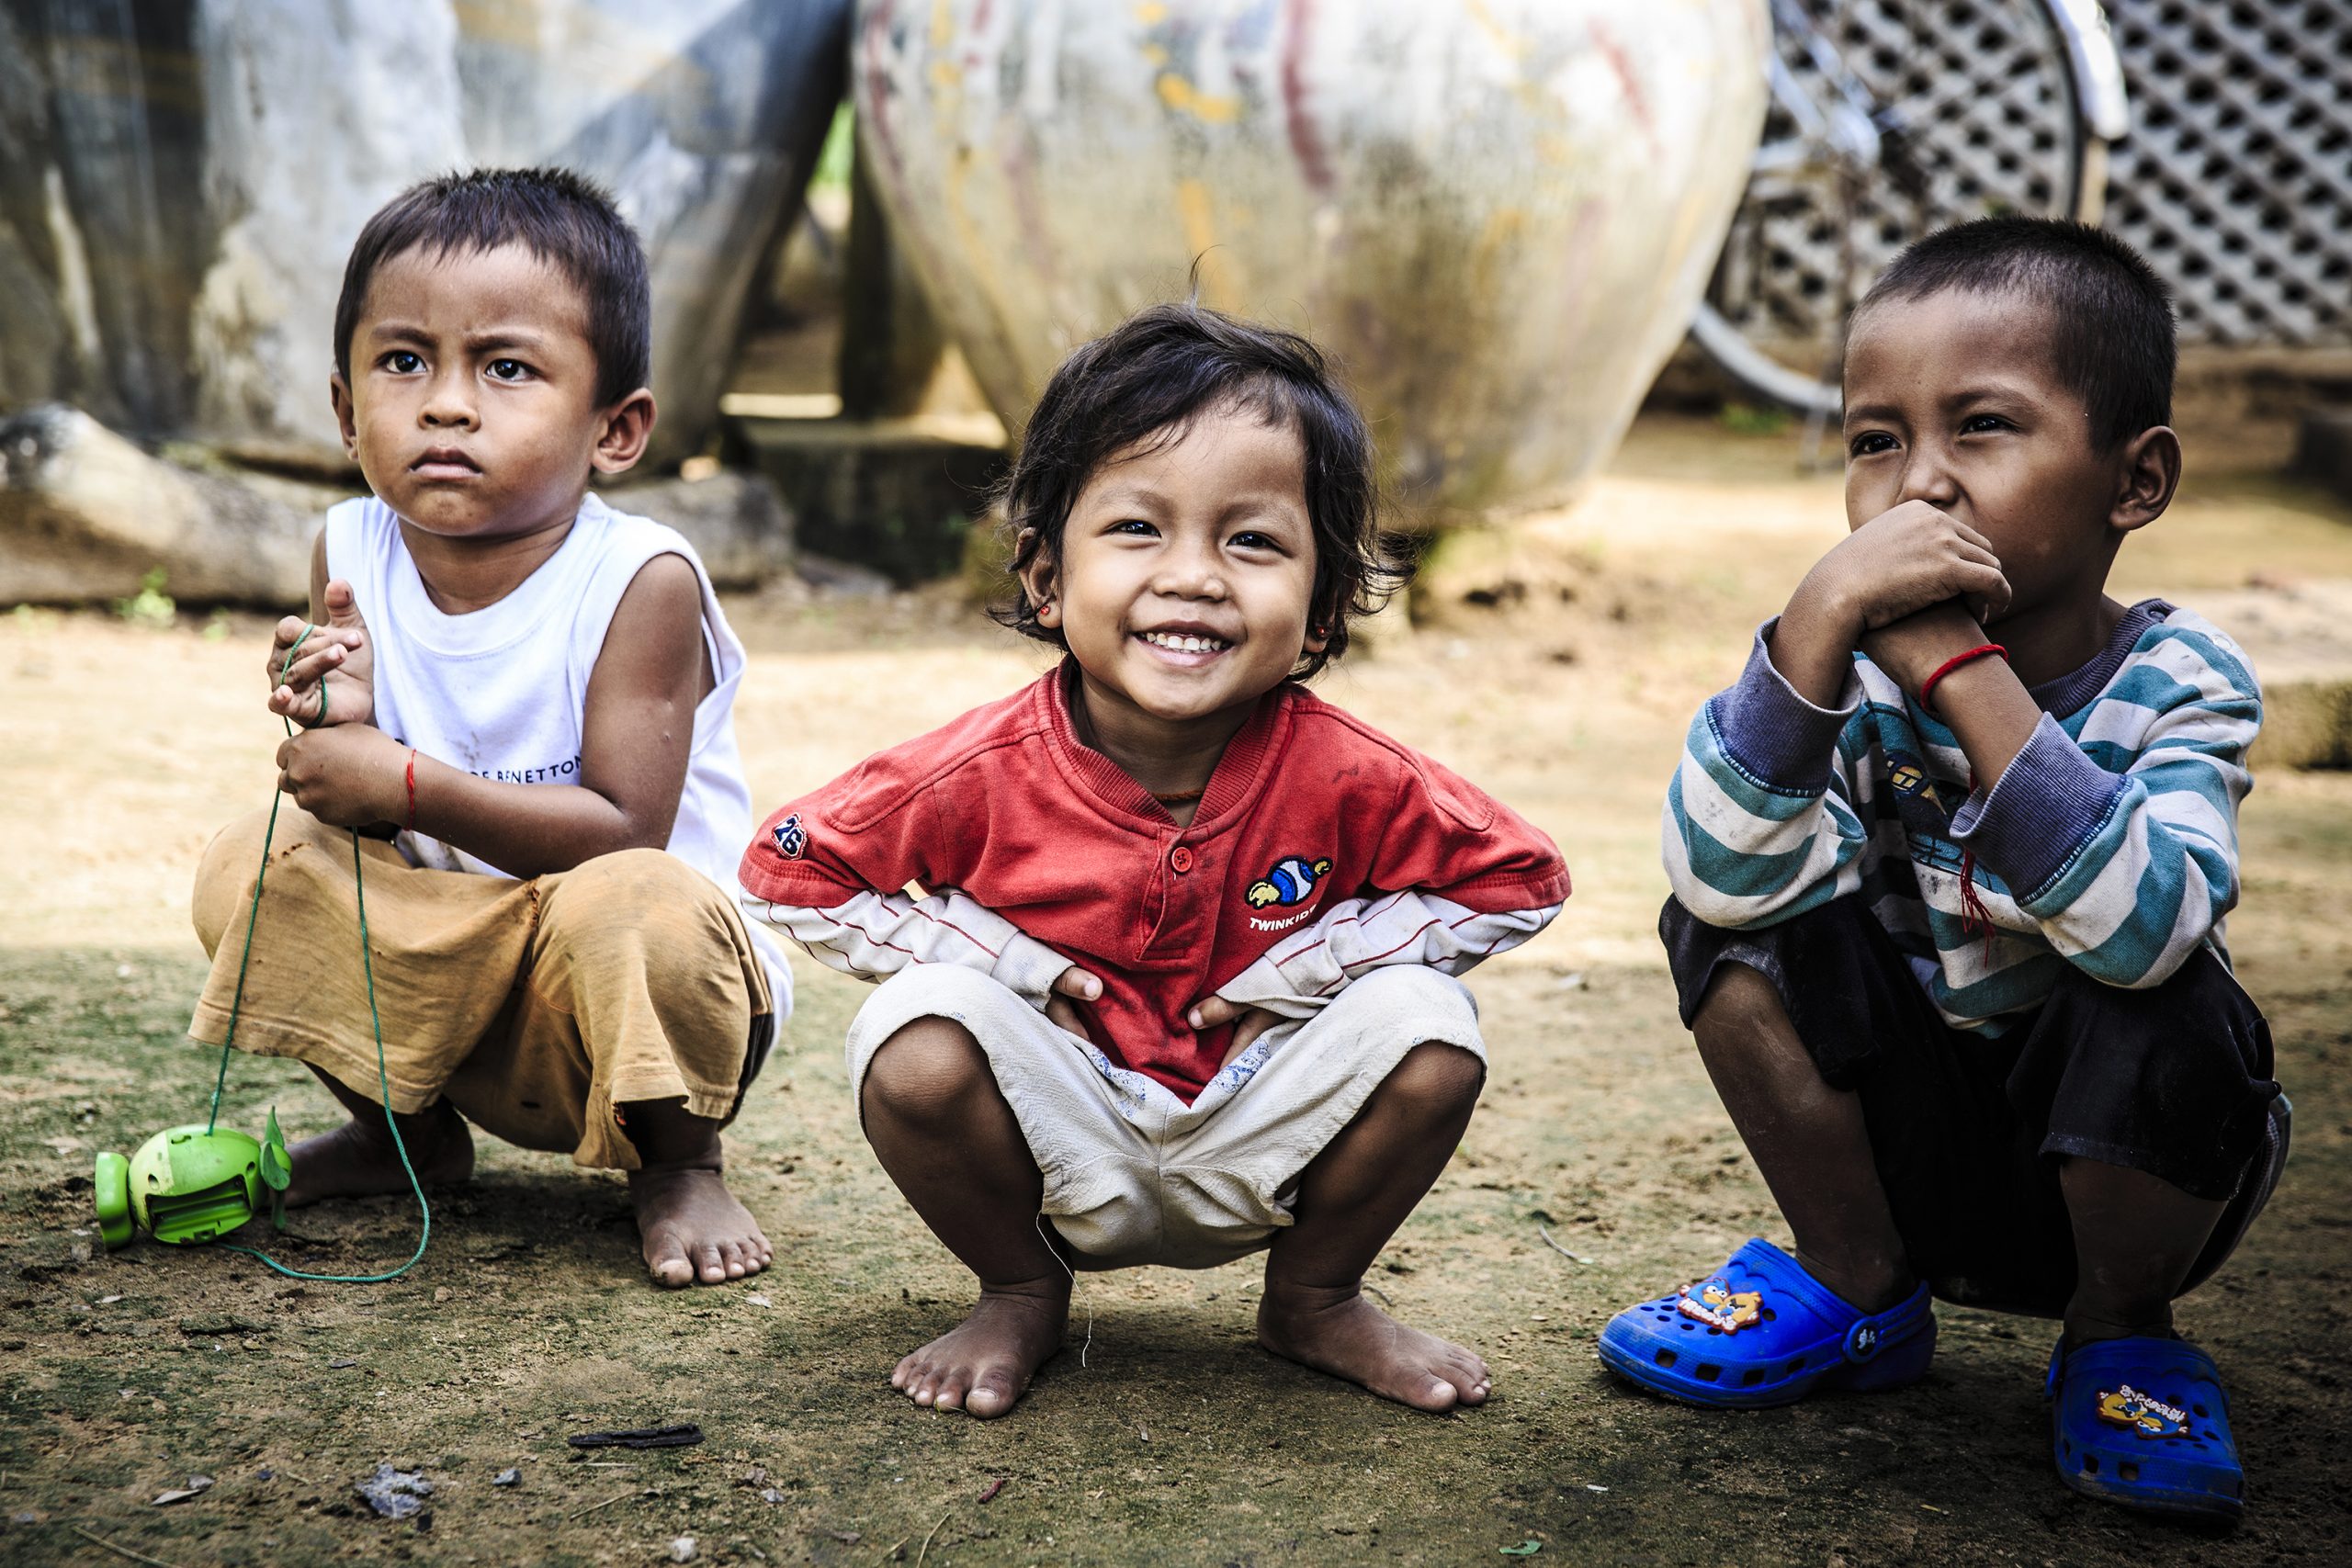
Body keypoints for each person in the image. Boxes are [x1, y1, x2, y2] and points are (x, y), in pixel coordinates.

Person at [739, 304, 1570, 1418]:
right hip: (1059, 1112)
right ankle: (1021, 1288)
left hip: (1266, 1104)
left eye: (1253, 540)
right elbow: (790, 867)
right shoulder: (975, 770)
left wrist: (1310, 970)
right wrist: (1003, 961)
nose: (1194, 576)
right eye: (1137, 528)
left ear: (1321, 615)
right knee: (918, 1035)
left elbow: (1521, 877)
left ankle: (1315, 1299)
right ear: (1044, 576)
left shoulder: (1352, 774)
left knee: (1430, 1028)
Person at [1597, 218, 2285, 1524]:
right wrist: (1807, 635)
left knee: (2178, 991)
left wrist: (1966, 678)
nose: (1919, 487)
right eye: (1876, 441)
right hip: (1902, 1149)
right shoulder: (1845, 675)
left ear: (2134, 483)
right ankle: (1860, 1289)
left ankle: (2119, 1334)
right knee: (1733, 923)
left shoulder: (2182, 682)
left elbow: (2145, 931)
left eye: (1983, 427)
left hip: (2125, 1166)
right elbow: (1720, 877)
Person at [186, 167, 788, 1289]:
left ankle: (679, 1163)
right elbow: (359, 802)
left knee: (639, 904)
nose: (446, 403)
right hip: (451, 981)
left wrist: (403, 782)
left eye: (505, 368)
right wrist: (336, 728)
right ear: (341, 404)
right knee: (255, 859)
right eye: (403, 361)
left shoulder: (638, 580)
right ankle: (402, 1134)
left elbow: (624, 833)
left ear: (617, 429)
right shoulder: (350, 551)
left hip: (630, 992)